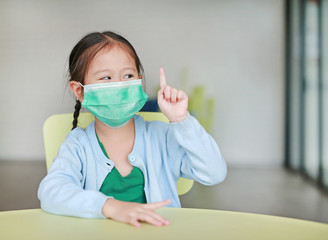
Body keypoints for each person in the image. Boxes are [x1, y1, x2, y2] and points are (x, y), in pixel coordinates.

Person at [38, 31, 227, 228]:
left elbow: (214, 173)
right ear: (80, 91)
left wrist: (182, 120)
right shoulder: (78, 145)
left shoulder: (161, 136)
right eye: (106, 77)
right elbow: (51, 191)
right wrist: (110, 207)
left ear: (139, 80)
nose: (119, 85)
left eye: (128, 75)